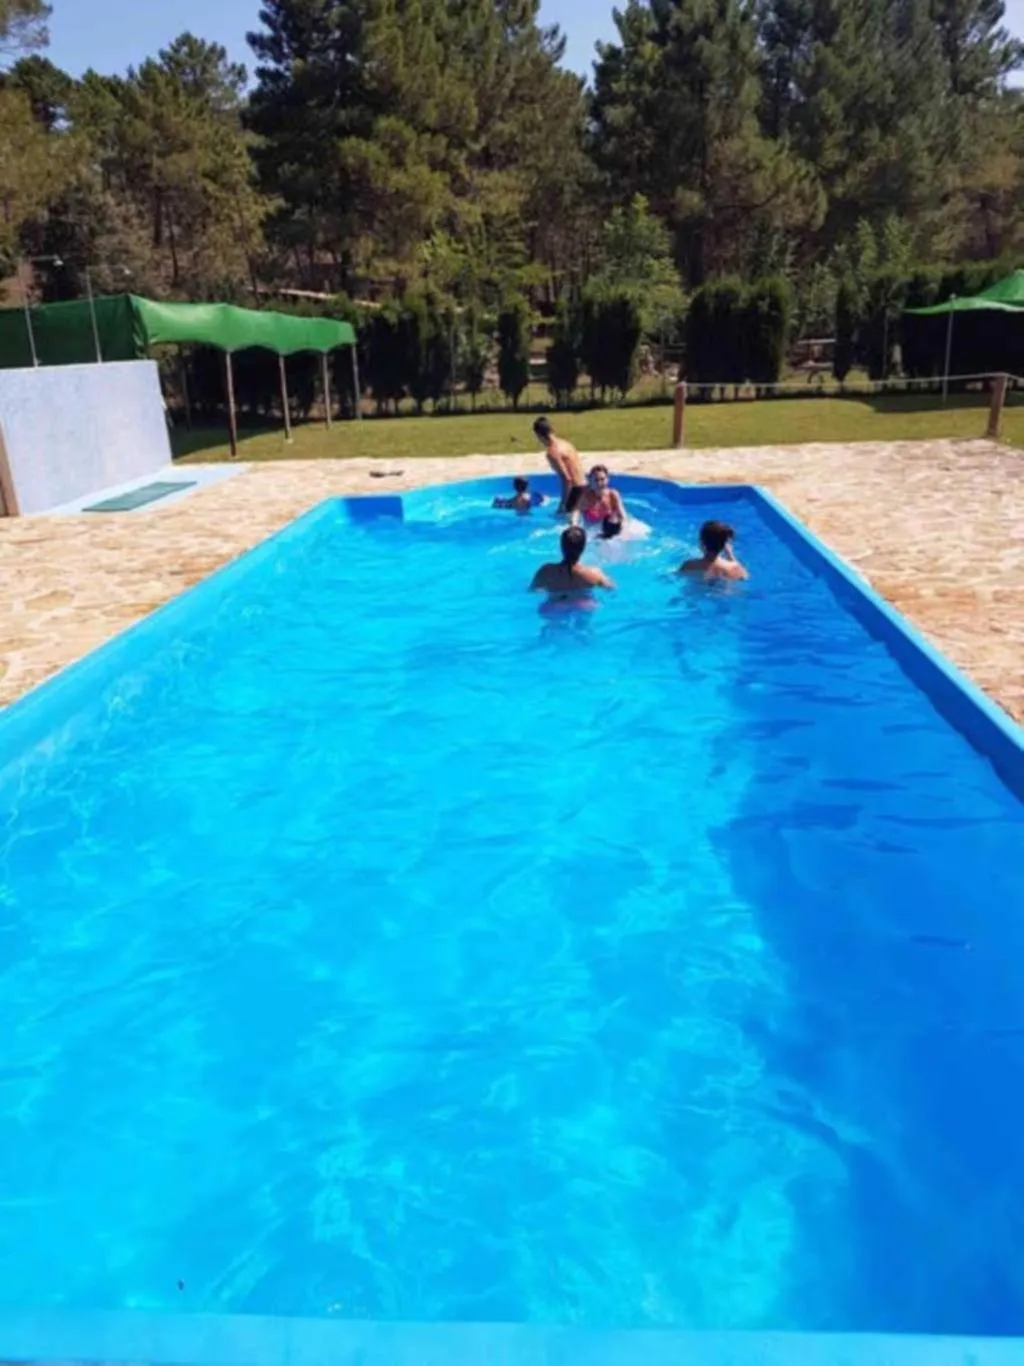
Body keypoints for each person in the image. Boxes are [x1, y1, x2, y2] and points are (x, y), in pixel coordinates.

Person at [531, 525, 614, 600]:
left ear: (561, 546)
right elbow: (611, 589)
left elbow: (532, 590)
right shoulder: (594, 573)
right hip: (582, 607)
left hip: (553, 608)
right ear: (583, 548)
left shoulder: (545, 571)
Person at [533, 417, 587, 517]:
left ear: (539, 436)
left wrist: (563, 504)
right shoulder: (565, 443)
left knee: (564, 521)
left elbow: (567, 479)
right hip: (586, 485)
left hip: (575, 490)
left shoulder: (552, 452)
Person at [679, 520, 749, 581]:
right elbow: (745, 577)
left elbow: (675, 576)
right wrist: (730, 555)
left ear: (702, 542)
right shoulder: (733, 567)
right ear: (724, 545)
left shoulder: (689, 565)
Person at [576, 464, 627, 539]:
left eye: (602, 479)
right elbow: (575, 513)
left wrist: (622, 530)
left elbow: (623, 517)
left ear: (607, 479)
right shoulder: (585, 497)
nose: (599, 483)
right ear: (590, 481)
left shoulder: (612, 495)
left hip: (609, 531)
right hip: (591, 532)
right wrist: (574, 526)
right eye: (596, 480)